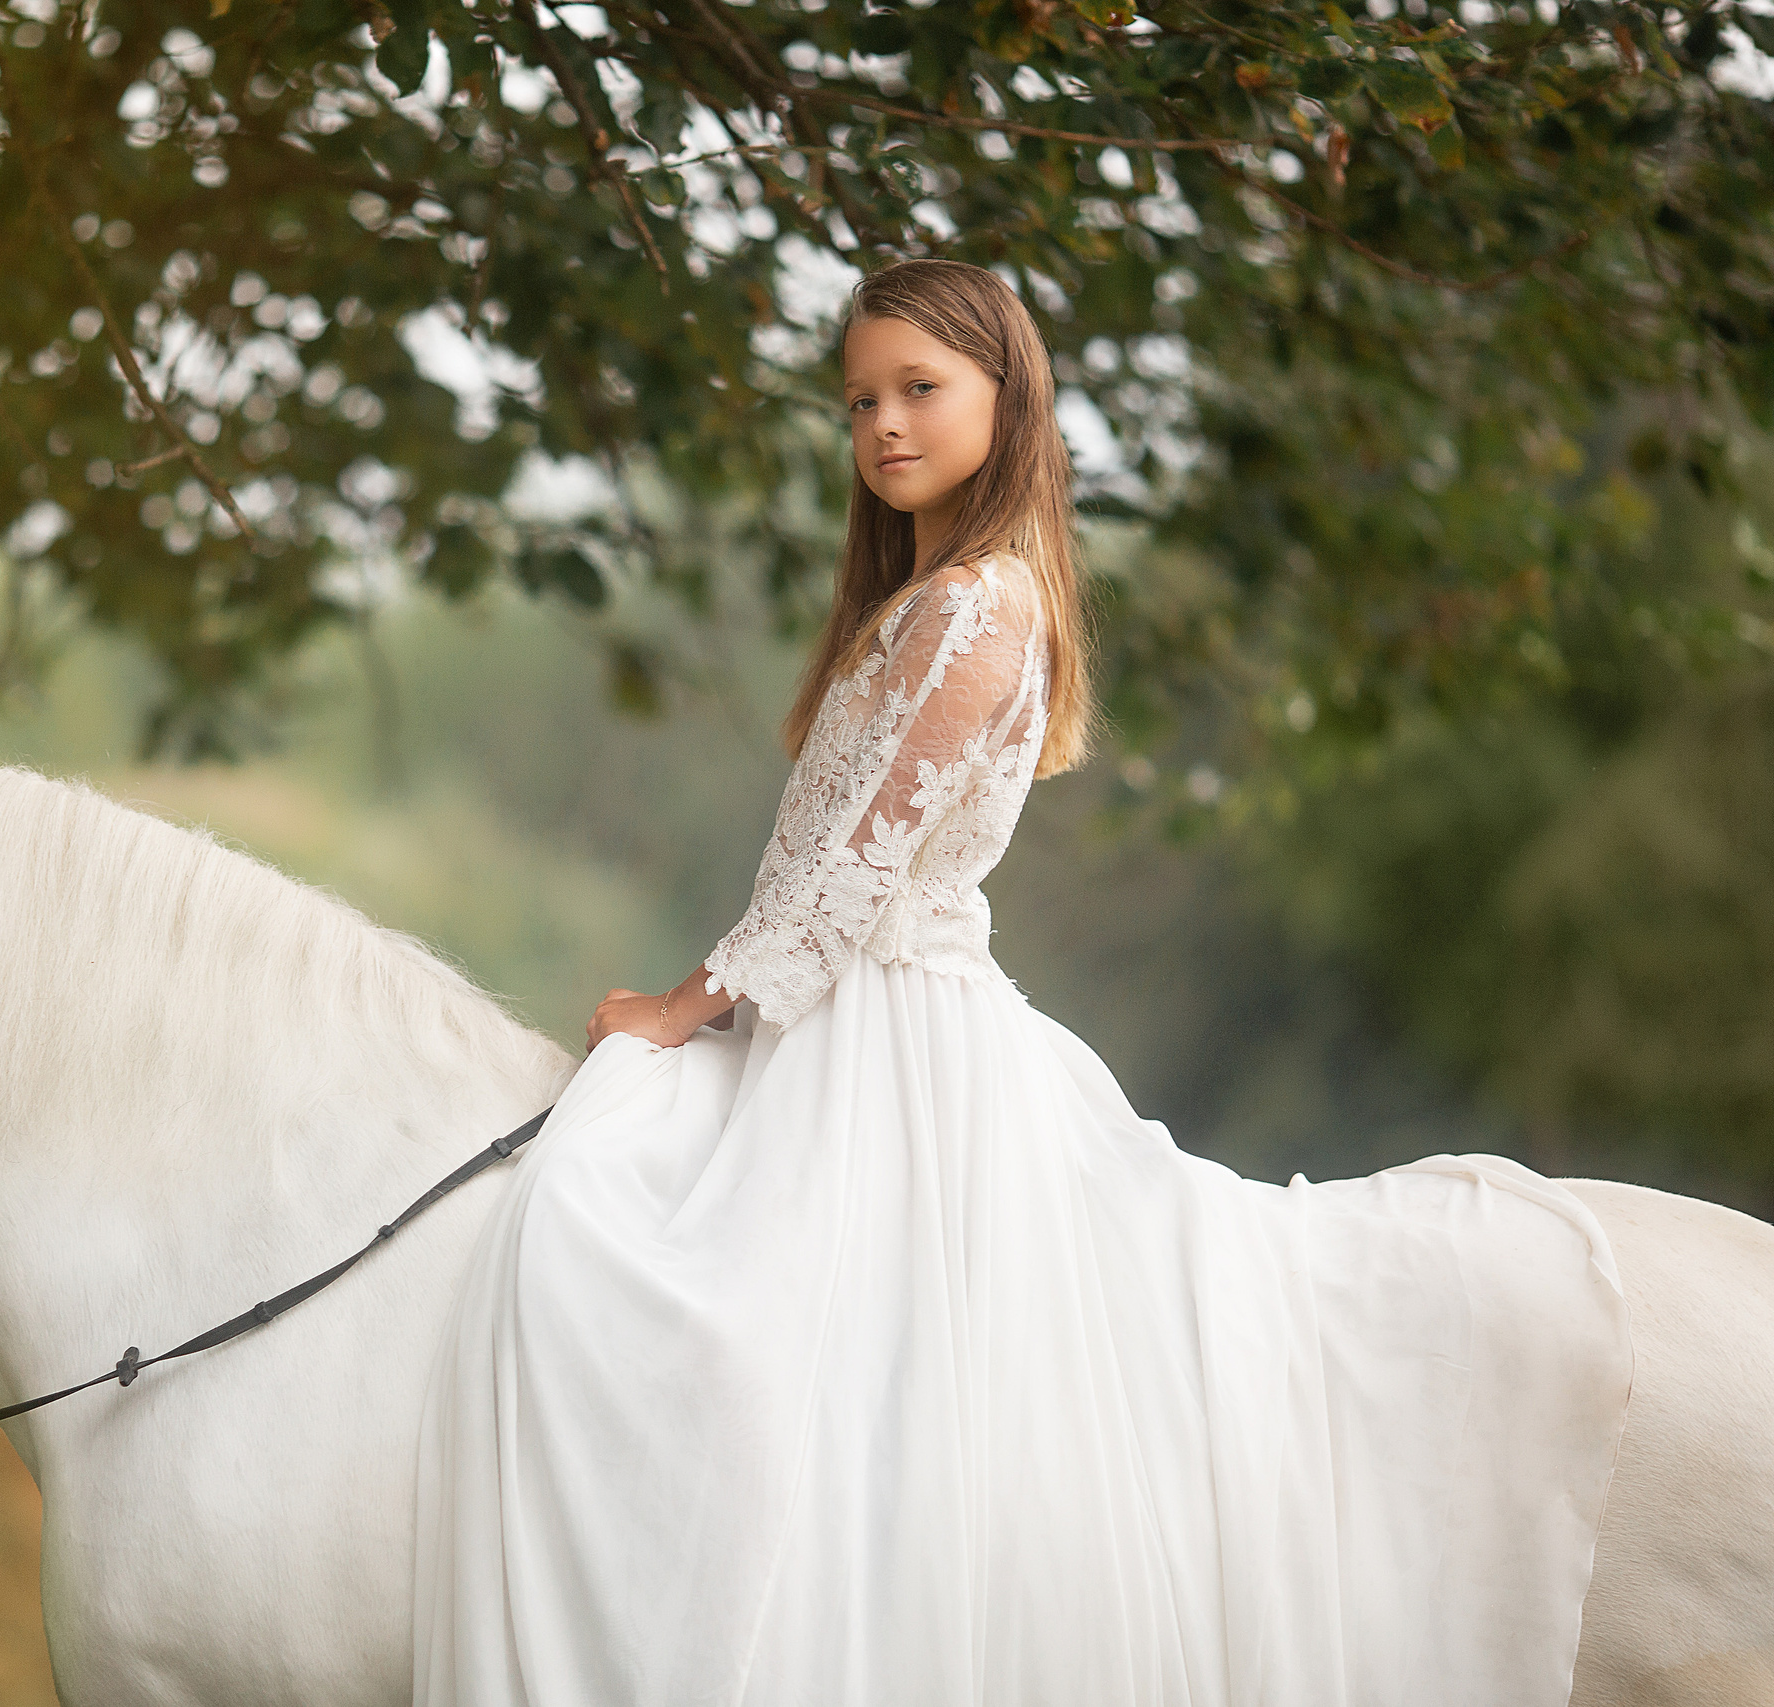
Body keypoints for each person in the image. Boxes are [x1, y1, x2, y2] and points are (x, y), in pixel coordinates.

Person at [411, 259, 1633, 1706]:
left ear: (1010, 394)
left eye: (920, 390)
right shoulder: (915, 602)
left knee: (733, 1313)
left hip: (894, 1038)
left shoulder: (980, 613)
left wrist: (690, 1005)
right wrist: (703, 989)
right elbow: (805, 869)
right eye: (861, 399)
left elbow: (854, 869)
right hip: (841, 1013)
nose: (882, 426)